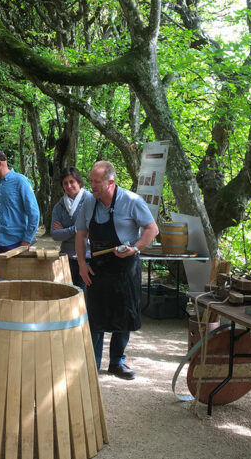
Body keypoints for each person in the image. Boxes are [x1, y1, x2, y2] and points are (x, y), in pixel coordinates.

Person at [75, 161, 159, 380]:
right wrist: (83, 265)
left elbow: (152, 229)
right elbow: (81, 234)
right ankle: (92, 364)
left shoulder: (131, 201)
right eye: (91, 180)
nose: (91, 185)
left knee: (124, 315)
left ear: (111, 182)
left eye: (96, 181)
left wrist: (135, 248)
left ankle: (117, 363)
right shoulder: (89, 204)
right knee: (95, 317)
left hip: (125, 268)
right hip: (98, 268)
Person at [0, 149, 40, 279]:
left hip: (15, 244)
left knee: (12, 286)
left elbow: (34, 214)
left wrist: (27, 240)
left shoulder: (21, 182)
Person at [51, 167, 90, 291]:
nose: (69, 186)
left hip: (88, 257)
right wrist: (76, 229)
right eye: (65, 183)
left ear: (79, 182)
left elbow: (91, 229)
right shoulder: (59, 206)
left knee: (84, 300)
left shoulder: (90, 201)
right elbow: (55, 235)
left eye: (72, 181)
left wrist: (66, 230)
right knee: (67, 297)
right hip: (66, 259)